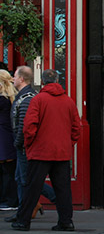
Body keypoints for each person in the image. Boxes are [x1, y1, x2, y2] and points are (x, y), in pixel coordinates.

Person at [12, 69, 80, 232]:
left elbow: (29, 126)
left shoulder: (38, 100)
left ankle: (23, 221)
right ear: (58, 81)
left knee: (31, 187)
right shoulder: (68, 101)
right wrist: (67, 143)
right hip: (61, 152)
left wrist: (29, 144)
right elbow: (76, 128)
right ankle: (66, 221)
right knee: (63, 189)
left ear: (42, 81)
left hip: (40, 151)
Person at [5, 66, 55, 225]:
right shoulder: (24, 96)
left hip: (26, 146)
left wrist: (18, 142)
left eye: (15, 76)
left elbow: (25, 125)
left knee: (28, 179)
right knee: (21, 178)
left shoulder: (26, 98)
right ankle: (23, 211)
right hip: (24, 146)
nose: (13, 79)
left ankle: (58, 199)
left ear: (21, 79)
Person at [0, 70, 18, 211]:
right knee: (9, 170)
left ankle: (8, 200)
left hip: (3, 137)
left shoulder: (2, 99)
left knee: (6, 170)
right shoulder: (12, 97)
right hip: (9, 136)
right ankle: (11, 199)